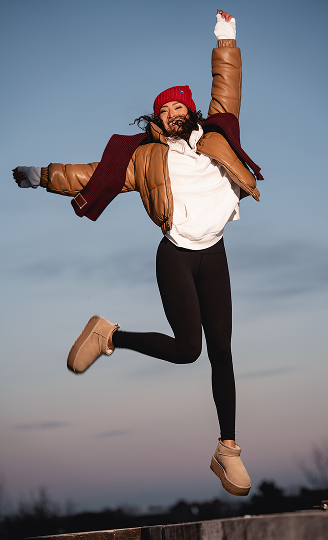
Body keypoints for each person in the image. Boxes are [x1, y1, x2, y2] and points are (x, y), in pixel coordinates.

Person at [13, 9, 263, 497]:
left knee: (222, 354)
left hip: (215, 254)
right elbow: (89, 175)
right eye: (163, 111)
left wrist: (226, 37)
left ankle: (227, 449)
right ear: (156, 119)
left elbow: (227, 81)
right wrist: (42, 176)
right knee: (189, 349)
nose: (172, 115)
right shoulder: (144, 157)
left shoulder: (218, 133)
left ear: (191, 110)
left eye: (178, 108)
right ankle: (112, 336)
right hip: (175, 255)